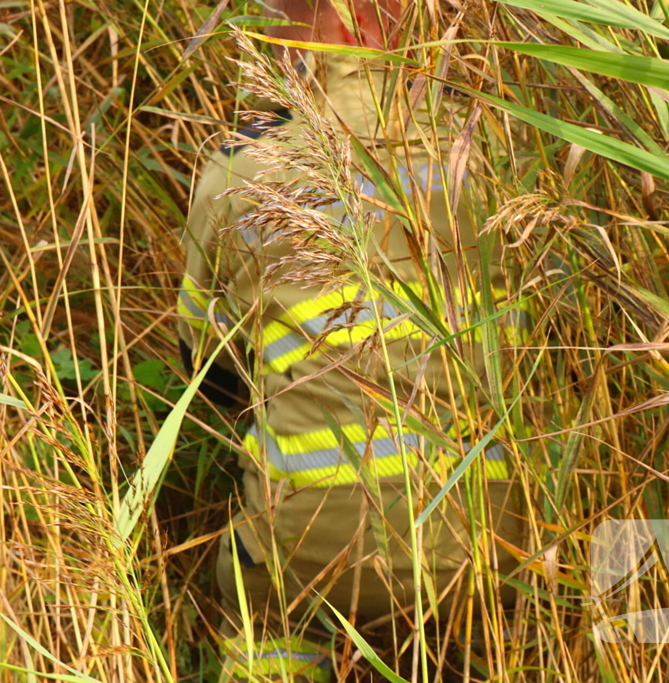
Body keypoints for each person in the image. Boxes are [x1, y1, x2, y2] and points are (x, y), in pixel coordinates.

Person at [177, 1, 530, 680]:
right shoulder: (489, 150)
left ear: (335, 20)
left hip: (308, 553)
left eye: (277, 15)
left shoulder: (242, 171)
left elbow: (207, 370)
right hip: (487, 548)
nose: (269, 32)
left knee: (265, 601)